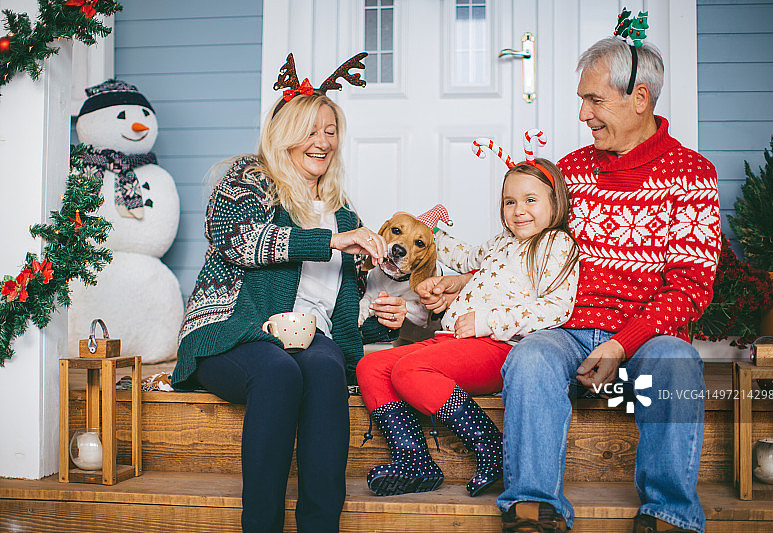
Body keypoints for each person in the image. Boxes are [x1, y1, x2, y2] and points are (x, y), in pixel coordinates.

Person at [421, 35, 721, 533]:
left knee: (676, 361)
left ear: (639, 99)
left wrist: (622, 347)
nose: (582, 114)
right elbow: (524, 251)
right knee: (531, 357)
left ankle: (667, 512)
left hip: (645, 339)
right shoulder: (572, 171)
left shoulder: (691, 174)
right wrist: (463, 284)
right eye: (583, 100)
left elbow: (690, 289)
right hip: (566, 326)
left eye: (594, 100)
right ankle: (534, 507)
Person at [170, 55, 408, 533]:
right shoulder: (247, 180)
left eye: (330, 130)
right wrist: (328, 241)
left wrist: (380, 313)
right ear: (283, 134)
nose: (322, 141)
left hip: (306, 333)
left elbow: (337, 305)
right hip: (234, 328)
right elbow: (236, 238)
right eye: (310, 129)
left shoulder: (341, 209)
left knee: (326, 368)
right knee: (278, 373)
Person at [356, 147, 580, 498]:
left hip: (499, 347)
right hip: (453, 341)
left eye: (530, 199)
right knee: (371, 366)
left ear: (556, 203)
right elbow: (465, 256)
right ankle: (414, 461)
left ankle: (492, 448)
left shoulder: (555, 242)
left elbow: (556, 308)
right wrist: (428, 231)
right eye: (509, 202)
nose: (519, 210)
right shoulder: (501, 242)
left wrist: (487, 321)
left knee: (409, 370)